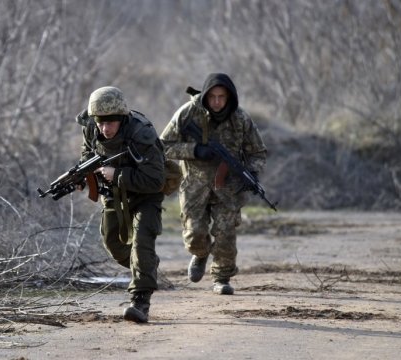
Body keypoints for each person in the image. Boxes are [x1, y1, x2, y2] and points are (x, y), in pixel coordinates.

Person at [160, 73, 267, 295]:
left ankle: (222, 277)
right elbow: (163, 146)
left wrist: (253, 173)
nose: (217, 102)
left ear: (230, 97)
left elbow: (258, 152)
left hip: (228, 187)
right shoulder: (188, 113)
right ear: (206, 96)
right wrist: (194, 150)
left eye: (222, 97)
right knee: (194, 234)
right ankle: (200, 254)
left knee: (226, 232)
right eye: (213, 97)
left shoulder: (241, 119)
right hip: (194, 185)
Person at [76, 86, 165, 322]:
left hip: (146, 195)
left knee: (142, 241)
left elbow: (156, 180)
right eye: (100, 122)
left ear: (122, 119)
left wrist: (117, 174)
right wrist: (83, 177)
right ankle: (146, 265)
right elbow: (88, 154)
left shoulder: (141, 134)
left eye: (111, 123)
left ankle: (140, 302)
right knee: (112, 243)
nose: (105, 129)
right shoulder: (91, 129)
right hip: (114, 195)